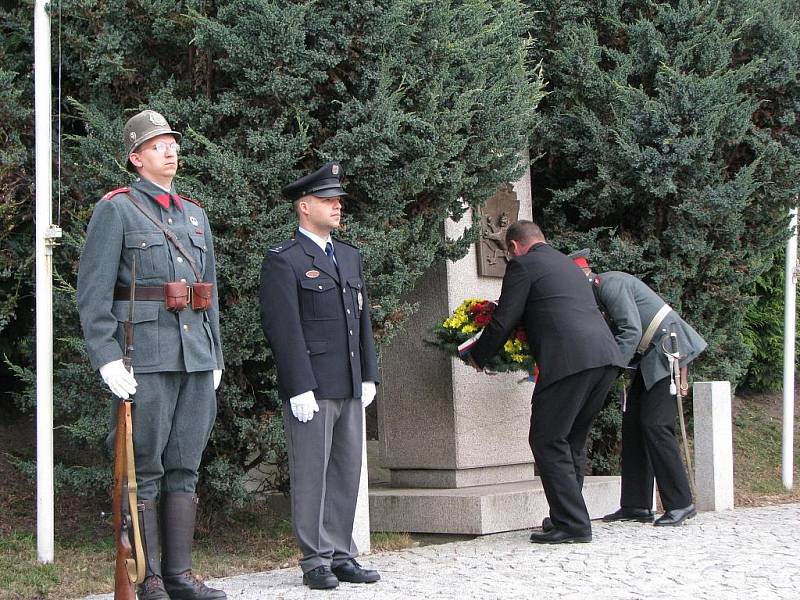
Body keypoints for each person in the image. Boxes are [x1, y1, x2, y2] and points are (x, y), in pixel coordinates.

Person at [77, 109, 226, 600]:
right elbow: (93, 293)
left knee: (186, 464)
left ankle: (181, 577)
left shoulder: (195, 214)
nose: (170, 150)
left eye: (173, 143)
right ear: (135, 157)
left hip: (195, 358)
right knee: (144, 467)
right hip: (146, 357)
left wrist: (216, 354)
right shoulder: (116, 210)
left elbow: (210, 294)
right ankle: (149, 576)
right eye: (158, 144)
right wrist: (106, 356)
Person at [259, 161, 381, 589]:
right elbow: (283, 327)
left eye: (339, 201)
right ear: (304, 207)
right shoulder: (285, 260)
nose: (337, 207)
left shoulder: (348, 255)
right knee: (312, 473)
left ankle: (341, 553)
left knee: (347, 470)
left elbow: (362, 319)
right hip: (313, 384)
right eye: (328, 201)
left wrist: (368, 373)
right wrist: (298, 386)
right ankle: (314, 559)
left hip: (348, 380)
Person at [465, 221, 625, 544]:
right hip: (605, 358)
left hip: (568, 362)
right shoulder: (566, 265)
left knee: (546, 439)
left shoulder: (523, 265)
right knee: (571, 441)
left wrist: (478, 355)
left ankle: (573, 523)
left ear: (513, 247)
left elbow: (505, 319)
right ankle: (566, 516)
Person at [569, 249, 707, 526]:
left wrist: (611, 369)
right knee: (633, 425)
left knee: (656, 425)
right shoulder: (599, 295)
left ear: (585, 277)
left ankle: (681, 503)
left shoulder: (610, 285)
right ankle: (636, 505)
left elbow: (630, 330)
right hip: (650, 357)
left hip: (666, 350)